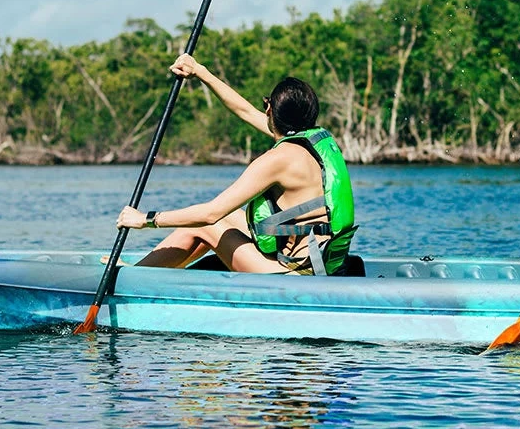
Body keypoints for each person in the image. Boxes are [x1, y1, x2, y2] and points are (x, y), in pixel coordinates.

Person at [114, 54, 357, 275]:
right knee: (223, 218)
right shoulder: (310, 142)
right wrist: (200, 71)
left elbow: (210, 214)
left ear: (271, 110)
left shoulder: (277, 160)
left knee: (207, 224)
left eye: (265, 105)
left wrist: (145, 219)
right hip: (319, 261)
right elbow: (245, 111)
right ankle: (146, 270)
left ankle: (133, 277)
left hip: (296, 274)